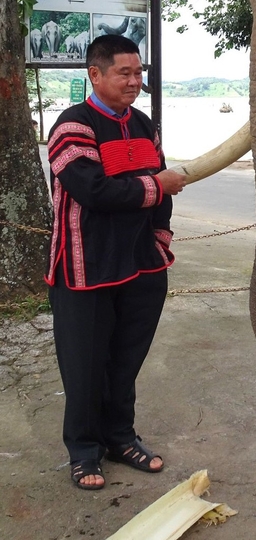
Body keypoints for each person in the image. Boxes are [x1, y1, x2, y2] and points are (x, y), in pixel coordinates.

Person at [45, 34, 186, 490]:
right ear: (95, 74)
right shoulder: (73, 127)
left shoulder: (144, 125)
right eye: (124, 72)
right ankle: (84, 452)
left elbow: (159, 193)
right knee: (85, 366)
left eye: (139, 72)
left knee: (126, 360)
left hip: (142, 267)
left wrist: (161, 237)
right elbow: (95, 192)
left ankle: (120, 437)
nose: (134, 81)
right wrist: (158, 187)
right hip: (85, 270)